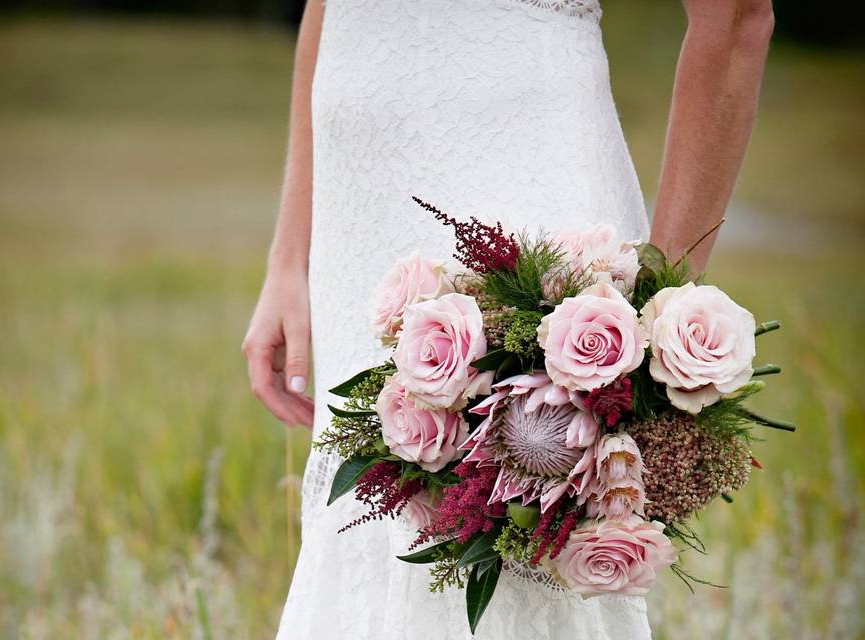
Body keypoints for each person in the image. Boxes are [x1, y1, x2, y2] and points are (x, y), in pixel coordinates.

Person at [243, 1, 773, 637]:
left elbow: (737, 15)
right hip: (357, 218)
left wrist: (662, 305)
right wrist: (290, 254)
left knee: (516, 564)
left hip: (521, 186)